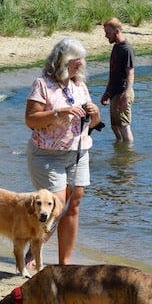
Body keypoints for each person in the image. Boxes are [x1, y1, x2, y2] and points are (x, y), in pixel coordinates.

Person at [25, 38, 101, 265]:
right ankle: (32, 253)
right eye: (77, 60)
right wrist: (58, 113)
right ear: (64, 60)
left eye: (81, 61)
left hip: (78, 152)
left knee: (74, 204)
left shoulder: (80, 86)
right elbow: (30, 119)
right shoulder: (42, 84)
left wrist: (95, 113)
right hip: (47, 154)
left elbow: (94, 124)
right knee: (55, 206)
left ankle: (64, 263)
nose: (81, 64)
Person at [101, 17, 135, 143]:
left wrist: (126, 95)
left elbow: (130, 72)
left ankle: (128, 157)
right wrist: (107, 91)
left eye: (107, 33)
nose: (106, 36)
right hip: (114, 92)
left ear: (116, 31)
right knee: (115, 126)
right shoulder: (116, 47)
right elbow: (113, 73)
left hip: (122, 92)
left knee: (124, 127)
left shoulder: (126, 49)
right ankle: (120, 152)